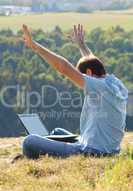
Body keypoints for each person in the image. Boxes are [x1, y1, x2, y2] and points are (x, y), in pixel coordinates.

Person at [22, 24, 128, 159]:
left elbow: (64, 67)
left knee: (29, 141)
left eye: (81, 76)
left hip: (92, 151)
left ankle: (34, 161)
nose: (80, 81)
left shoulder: (97, 86)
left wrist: (35, 46)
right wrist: (82, 45)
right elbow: (93, 60)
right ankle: (49, 151)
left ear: (89, 73)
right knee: (57, 132)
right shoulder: (114, 83)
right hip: (108, 149)